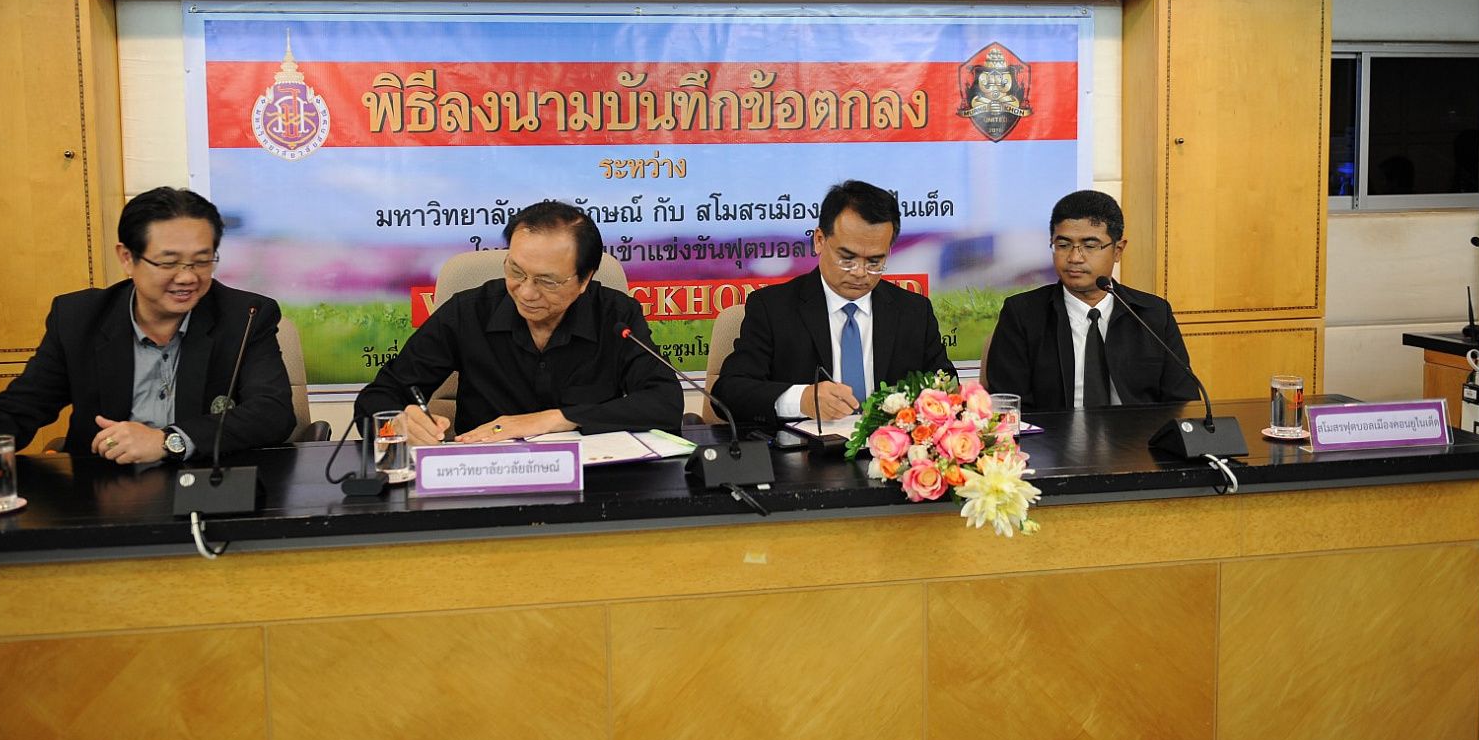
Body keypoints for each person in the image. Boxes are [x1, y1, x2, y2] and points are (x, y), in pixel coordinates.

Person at [0, 187, 296, 484]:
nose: (187, 277)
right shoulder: (79, 318)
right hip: (103, 491)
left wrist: (167, 440)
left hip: (208, 488)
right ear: (127, 258)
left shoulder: (245, 316)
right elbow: (20, 409)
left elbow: (272, 412)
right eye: (168, 262)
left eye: (202, 261)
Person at [355, 201, 683, 444]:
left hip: (593, 480)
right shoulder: (468, 312)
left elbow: (665, 403)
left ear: (584, 279)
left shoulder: (615, 315)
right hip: (486, 480)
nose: (526, 292)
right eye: (515, 271)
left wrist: (555, 420)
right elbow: (376, 399)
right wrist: (398, 424)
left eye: (547, 281)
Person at [713, 180, 954, 424]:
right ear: (819, 240)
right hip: (805, 446)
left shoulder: (914, 311)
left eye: (874, 261)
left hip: (887, 446)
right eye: (847, 258)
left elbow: (946, 385)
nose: (860, 272)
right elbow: (729, 392)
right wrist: (801, 399)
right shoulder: (773, 308)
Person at [983, 189, 1199, 411]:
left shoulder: (1152, 314)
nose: (1074, 257)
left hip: (1139, 433)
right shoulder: (1023, 314)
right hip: (1051, 434)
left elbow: (1182, 401)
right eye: (1063, 245)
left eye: (1090, 246)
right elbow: (1009, 407)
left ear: (1118, 250)